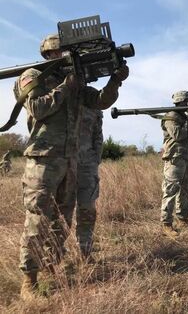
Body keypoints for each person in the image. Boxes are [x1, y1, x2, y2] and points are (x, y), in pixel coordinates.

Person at [17, 34, 128, 300]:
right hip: (43, 161)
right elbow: (37, 108)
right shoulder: (33, 76)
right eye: (59, 53)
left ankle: (50, 268)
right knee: (37, 221)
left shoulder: (77, 83)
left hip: (70, 161)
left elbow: (101, 101)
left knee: (62, 222)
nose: (63, 57)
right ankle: (29, 280)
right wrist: (66, 86)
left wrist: (115, 80)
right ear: (49, 55)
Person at [160, 91, 188, 237]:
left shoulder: (185, 118)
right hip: (174, 158)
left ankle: (182, 218)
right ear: (182, 101)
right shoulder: (171, 116)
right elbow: (178, 135)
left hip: (186, 157)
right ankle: (166, 224)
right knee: (170, 191)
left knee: (185, 189)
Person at [75, 107, 103, 260]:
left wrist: (95, 159)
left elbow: (98, 135)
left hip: (86, 163)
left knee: (87, 209)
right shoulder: (53, 91)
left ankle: (84, 251)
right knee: (57, 211)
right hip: (59, 162)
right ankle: (52, 258)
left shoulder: (91, 101)